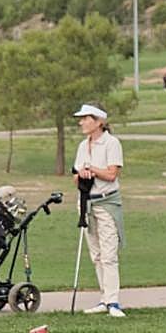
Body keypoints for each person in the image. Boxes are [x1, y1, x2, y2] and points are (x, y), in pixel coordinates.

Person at [72, 103, 126, 317]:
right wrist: (81, 176)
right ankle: (104, 298)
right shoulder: (82, 146)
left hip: (106, 203)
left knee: (109, 254)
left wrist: (92, 170)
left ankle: (113, 302)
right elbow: (75, 177)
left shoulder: (111, 143)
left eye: (85, 118)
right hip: (86, 203)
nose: (81, 122)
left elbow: (112, 174)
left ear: (98, 122)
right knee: (95, 254)